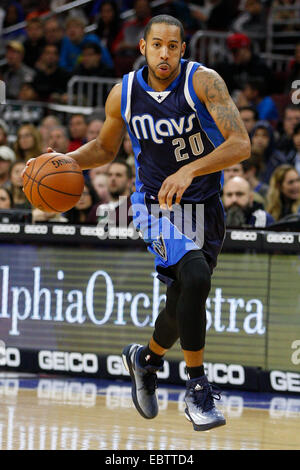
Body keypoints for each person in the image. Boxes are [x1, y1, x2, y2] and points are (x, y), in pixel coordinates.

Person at [29, 15, 250, 431]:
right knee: (196, 277)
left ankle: (146, 360)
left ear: (183, 50)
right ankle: (198, 388)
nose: (164, 52)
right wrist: (58, 162)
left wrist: (191, 170)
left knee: (184, 296)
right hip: (155, 205)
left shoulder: (204, 82)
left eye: (172, 46)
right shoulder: (124, 93)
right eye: (156, 45)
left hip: (205, 205)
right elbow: (105, 148)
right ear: (143, 48)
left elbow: (241, 144)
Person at [215, 32, 272, 97]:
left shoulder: (260, 67)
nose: (233, 55)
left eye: (235, 51)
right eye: (231, 52)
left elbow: (264, 93)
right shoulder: (233, 68)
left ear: (245, 48)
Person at [87, 159, 133, 225]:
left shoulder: (135, 208)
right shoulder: (97, 208)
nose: (113, 178)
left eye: (118, 175)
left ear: (129, 182)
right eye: (110, 175)